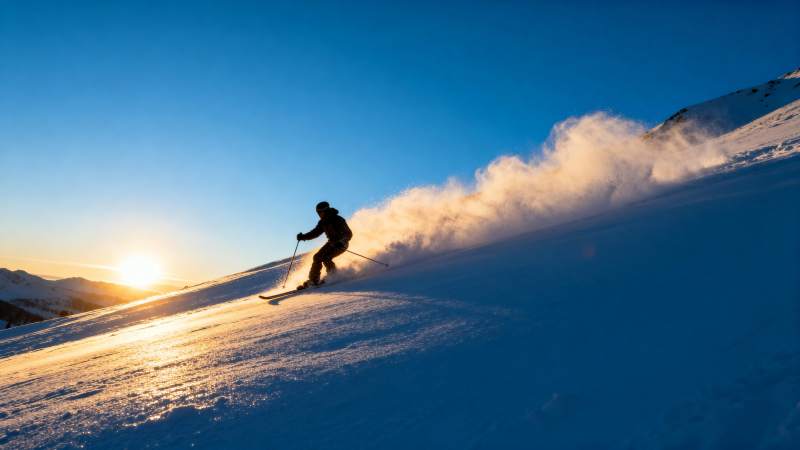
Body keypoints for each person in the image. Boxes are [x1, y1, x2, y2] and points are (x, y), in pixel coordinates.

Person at [296, 201, 353, 289]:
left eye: (320, 212)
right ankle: (314, 280)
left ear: (325, 211)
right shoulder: (323, 222)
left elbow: (348, 233)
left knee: (326, 257)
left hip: (341, 243)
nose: (319, 214)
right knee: (317, 257)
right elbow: (315, 233)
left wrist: (341, 242)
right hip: (331, 243)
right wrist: (303, 237)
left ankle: (333, 276)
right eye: (318, 213)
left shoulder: (337, 219)